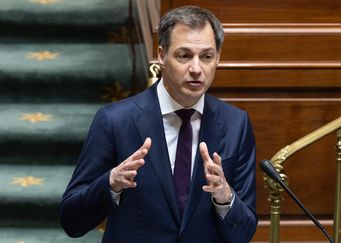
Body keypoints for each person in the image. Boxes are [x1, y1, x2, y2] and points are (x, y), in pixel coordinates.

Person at [59, 5, 257, 243]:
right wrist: (110, 183)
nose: (196, 69)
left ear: (218, 58)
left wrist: (225, 197)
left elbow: (244, 233)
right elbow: (72, 220)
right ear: (162, 56)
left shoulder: (236, 124)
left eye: (206, 56)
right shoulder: (116, 121)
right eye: (184, 56)